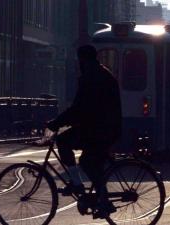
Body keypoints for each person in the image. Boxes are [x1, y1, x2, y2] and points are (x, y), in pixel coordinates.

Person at [46, 45, 122, 218]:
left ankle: (96, 196)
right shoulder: (101, 73)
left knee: (80, 155)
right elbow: (83, 109)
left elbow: (79, 108)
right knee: (90, 161)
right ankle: (94, 195)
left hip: (101, 130)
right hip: (103, 128)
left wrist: (56, 123)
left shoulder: (91, 77)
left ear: (83, 59)